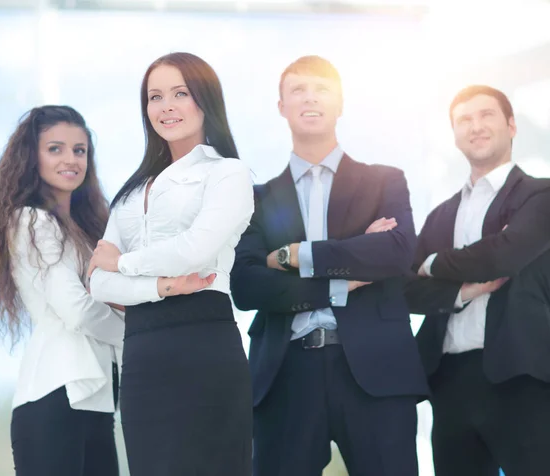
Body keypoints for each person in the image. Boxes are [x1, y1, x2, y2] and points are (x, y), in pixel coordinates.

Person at [230, 55, 428, 476]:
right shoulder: (257, 198)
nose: (309, 98)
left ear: (340, 103)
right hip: (286, 373)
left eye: (321, 88)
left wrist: (294, 256)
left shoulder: (385, 181)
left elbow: (395, 253)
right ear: (281, 106)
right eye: (297, 90)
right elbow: (246, 286)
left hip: (375, 373)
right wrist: (344, 277)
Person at [88, 52, 254, 476]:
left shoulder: (228, 173)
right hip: (142, 354)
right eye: (155, 97)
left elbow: (196, 248)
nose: (166, 107)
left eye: (180, 93)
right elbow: (98, 284)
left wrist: (124, 262)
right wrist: (160, 287)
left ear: (205, 99)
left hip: (204, 344)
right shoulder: (131, 192)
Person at [0, 105, 123, 476]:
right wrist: (140, 331)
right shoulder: (32, 220)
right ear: (31, 157)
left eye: (79, 150)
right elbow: (77, 309)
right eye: (55, 148)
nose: (70, 159)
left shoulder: (87, 232)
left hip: (97, 404)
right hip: (54, 399)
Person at [405, 85, 550, 476]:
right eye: (464, 120)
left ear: (512, 125)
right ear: (455, 136)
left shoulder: (540, 194)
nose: (476, 126)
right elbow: (405, 288)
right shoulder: (440, 215)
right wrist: (461, 290)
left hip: (523, 378)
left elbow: (504, 254)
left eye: (486, 115)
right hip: (450, 380)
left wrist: (434, 263)